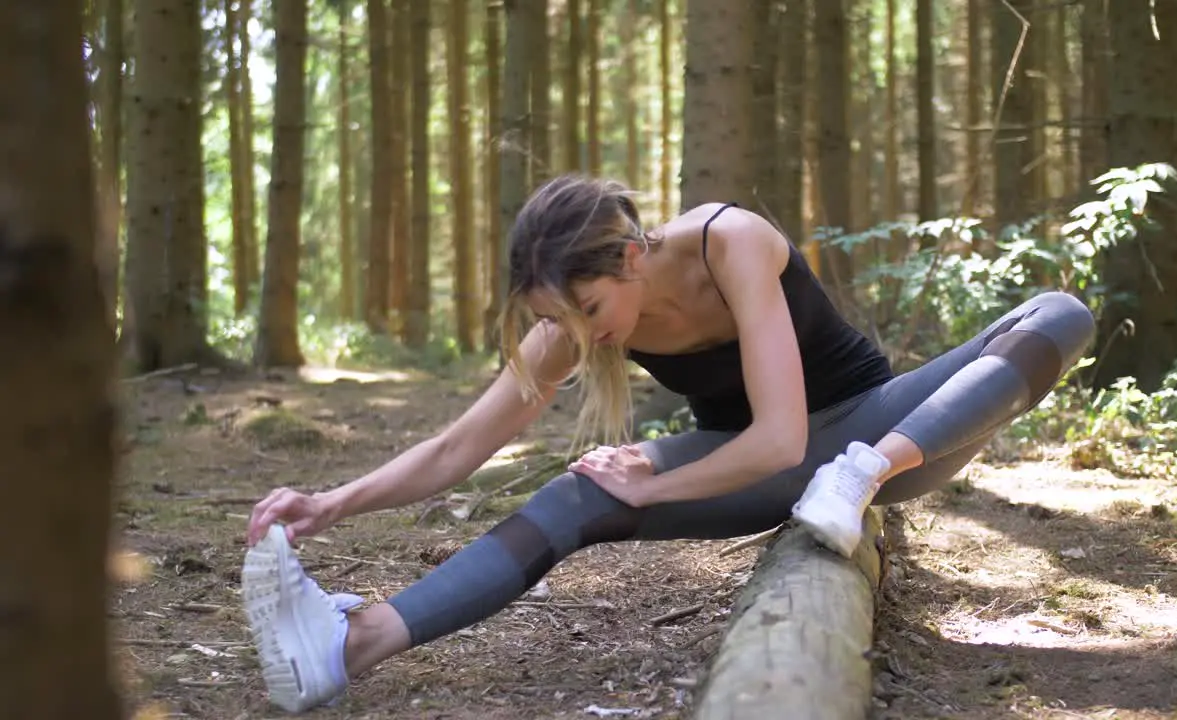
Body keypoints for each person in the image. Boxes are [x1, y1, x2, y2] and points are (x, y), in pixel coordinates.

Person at [240, 175, 1097, 713]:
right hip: (759, 463)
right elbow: (459, 447)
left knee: (1059, 316)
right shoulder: (574, 321)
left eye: (587, 313)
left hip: (876, 431)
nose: (579, 336)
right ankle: (354, 644)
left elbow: (782, 435)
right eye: (553, 322)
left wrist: (653, 483)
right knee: (575, 495)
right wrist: (331, 502)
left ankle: (862, 474)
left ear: (630, 257)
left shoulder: (732, 242)